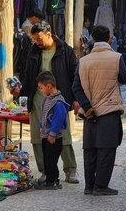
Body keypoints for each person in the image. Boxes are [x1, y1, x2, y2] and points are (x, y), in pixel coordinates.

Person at [9, 21, 80, 184]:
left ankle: (70, 169)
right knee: (38, 135)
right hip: (38, 98)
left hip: (59, 98)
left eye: (39, 38)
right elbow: (28, 76)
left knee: (63, 135)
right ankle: (46, 171)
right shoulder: (33, 51)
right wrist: (20, 94)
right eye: (34, 39)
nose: (37, 42)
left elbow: (74, 76)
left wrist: (76, 99)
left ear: (49, 34)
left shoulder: (65, 51)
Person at [72, 26, 126, 196]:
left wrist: (87, 107)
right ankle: (101, 186)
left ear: (93, 39)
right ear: (109, 38)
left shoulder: (83, 61)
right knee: (107, 149)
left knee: (90, 149)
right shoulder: (117, 58)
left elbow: (76, 86)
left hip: (90, 113)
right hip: (109, 110)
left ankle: (89, 186)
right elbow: (124, 79)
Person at [34, 71, 69, 190]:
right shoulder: (47, 99)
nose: (40, 90)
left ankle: (51, 181)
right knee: (48, 159)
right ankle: (53, 179)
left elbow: (58, 119)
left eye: (41, 87)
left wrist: (53, 134)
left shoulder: (58, 102)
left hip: (53, 138)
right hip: (46, 136)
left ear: (49, 86)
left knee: (51, 160)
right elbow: (44, 115)